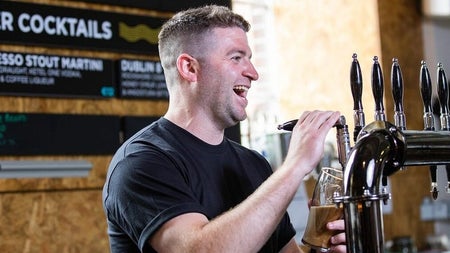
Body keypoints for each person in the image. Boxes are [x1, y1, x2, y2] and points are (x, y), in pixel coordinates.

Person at [102, 5, 346, 253]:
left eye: (249, 58)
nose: (253, 73)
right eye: (236, 57)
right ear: (189, 68)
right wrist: (295, 166)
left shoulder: (254, 164)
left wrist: (323, 250)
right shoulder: (142, 163)